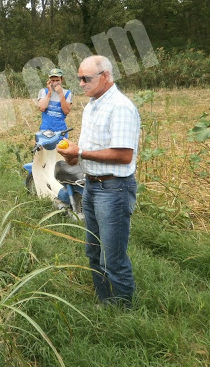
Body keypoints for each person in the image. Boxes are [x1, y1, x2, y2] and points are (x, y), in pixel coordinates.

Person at [57, 55, 140, 308]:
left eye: (86, 78)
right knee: (93, 251)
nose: (80, 83)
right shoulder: (94, 104)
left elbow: (124, 155)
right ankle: (105, 302)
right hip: (92, 185)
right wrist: (75, 158)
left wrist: (80, 153)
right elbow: (93, 147)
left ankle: (125, 311)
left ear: (105, 76)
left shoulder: (120, 107)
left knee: (112, 257)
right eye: (79, 78)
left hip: (113, 189)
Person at [37, 68, 72, 134]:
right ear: (49, 81)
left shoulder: (67, 93)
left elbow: (66, 111)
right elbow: (42, 108)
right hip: (45, 130)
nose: (55, 83)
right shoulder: (44, 91)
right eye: (53, 80)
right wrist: (49, 92)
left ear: (62, 80)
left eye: (57, 80)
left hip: (60, 130)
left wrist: (61, 94)